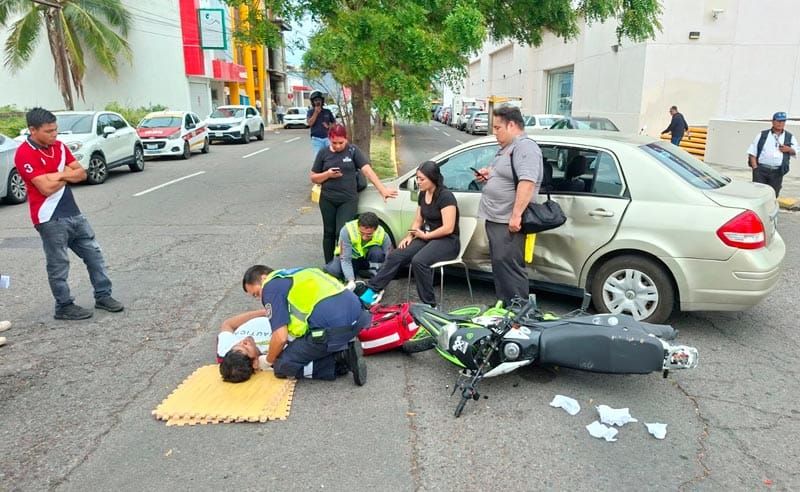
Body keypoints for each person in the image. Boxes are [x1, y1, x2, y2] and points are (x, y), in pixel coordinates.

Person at [14, 108, 123, 320]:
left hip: (74, 213)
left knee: (94, 255)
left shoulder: (59, 147)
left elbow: (81, 173)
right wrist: (66, 175)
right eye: (48, 131)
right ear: (32, 130)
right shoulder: (24, 153)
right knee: (58, 264)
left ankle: (103, 295)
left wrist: (56, 175)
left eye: (55, 129)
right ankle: (63, 306)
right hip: (48, 217)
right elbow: (44, 189)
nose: (54, 134)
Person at [239, 265, 369, 384]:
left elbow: (280, 337)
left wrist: (268, 360)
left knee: (282, 366)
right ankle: (342, 346)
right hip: (359, 316)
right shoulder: (298, 273)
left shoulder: (270, 288)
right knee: (297, 347)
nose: (259, 298)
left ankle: (341, 358)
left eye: (256, 293)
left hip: (336, 329)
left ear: (264, 278)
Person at [358, 161, 460, 308]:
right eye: (417, 178)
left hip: (448, 241)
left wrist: (426, 236)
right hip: (427, 236)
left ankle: (430, 305)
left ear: (433, 178)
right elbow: (418, 220)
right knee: (396, 254)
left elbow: (448, 228)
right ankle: (372, 290)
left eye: (422, 179)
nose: (418, 182)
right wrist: (409, 236)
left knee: (419, 261)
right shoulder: (423, 194)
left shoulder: (446, 197)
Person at [474, 106, 542, 306]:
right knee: (501, 266)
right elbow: (508, 176)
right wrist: (489, 174)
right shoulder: (508, 148)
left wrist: (516, 216)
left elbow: (527, 182)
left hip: (507, 221)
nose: (494, 132)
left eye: (497, 128)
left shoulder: (525, 147)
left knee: (510, 268)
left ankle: (519, 312)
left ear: (511, 125)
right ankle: (505, 308)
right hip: (497, 219)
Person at [310, 124, 397, 264]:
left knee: (341, 232)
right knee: (329, 233)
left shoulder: (353, 151)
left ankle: (343, 264)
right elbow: (313, 177)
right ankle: (329, 265)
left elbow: (367, 171)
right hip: (328, 199)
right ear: (329, 139)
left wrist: (383, 190)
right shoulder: (323, 153)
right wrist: (327, 174)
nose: (338, 146)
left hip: (347, 200)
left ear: (346, 139)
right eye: (334, 143)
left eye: (341, 142)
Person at [324, 212, 392, 289]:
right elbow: (345, 259)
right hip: (350, 258)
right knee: (334, 271)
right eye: (362, 233)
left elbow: (389, 258)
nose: (364, 237)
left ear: (375, 229)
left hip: (366, 260)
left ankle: (371, 273)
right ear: (358, 226)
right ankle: (353, 272)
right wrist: (350, 280)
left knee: (377, 252)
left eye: (369, 234)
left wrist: (381, 278)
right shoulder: (346, 231)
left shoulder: (383, 234)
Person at [748, 111, 797, 198]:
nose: (780, 123)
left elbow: (795, 151)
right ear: (773, 121)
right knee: (757, 194)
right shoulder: (763, 134)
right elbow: (752, 152)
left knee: (773, 195)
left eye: (783, 121)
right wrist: (755, 169)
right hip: (761, 170)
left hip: (777, 172)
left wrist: (789, 149)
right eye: (778, 121)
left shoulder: (789, 136)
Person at [217, 310, 273, 381]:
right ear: (255, 362)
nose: (243, 341)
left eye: (237, 344)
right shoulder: (273, 350)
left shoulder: (225, 351)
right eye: (246, 348)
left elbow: (227, 324)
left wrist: (265, 312)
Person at [307, 91, 336, 156]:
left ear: (322, 101)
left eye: (319, 100)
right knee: (318, 157)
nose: (317, 102)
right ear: (313, 102)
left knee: (332, 155)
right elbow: (310, 123)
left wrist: (329, 127)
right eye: (315, 100)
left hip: (328, 138)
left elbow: (334, 123)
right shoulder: (310, 112)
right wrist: (316, 112)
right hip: (316, 139)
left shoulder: (327, 111)